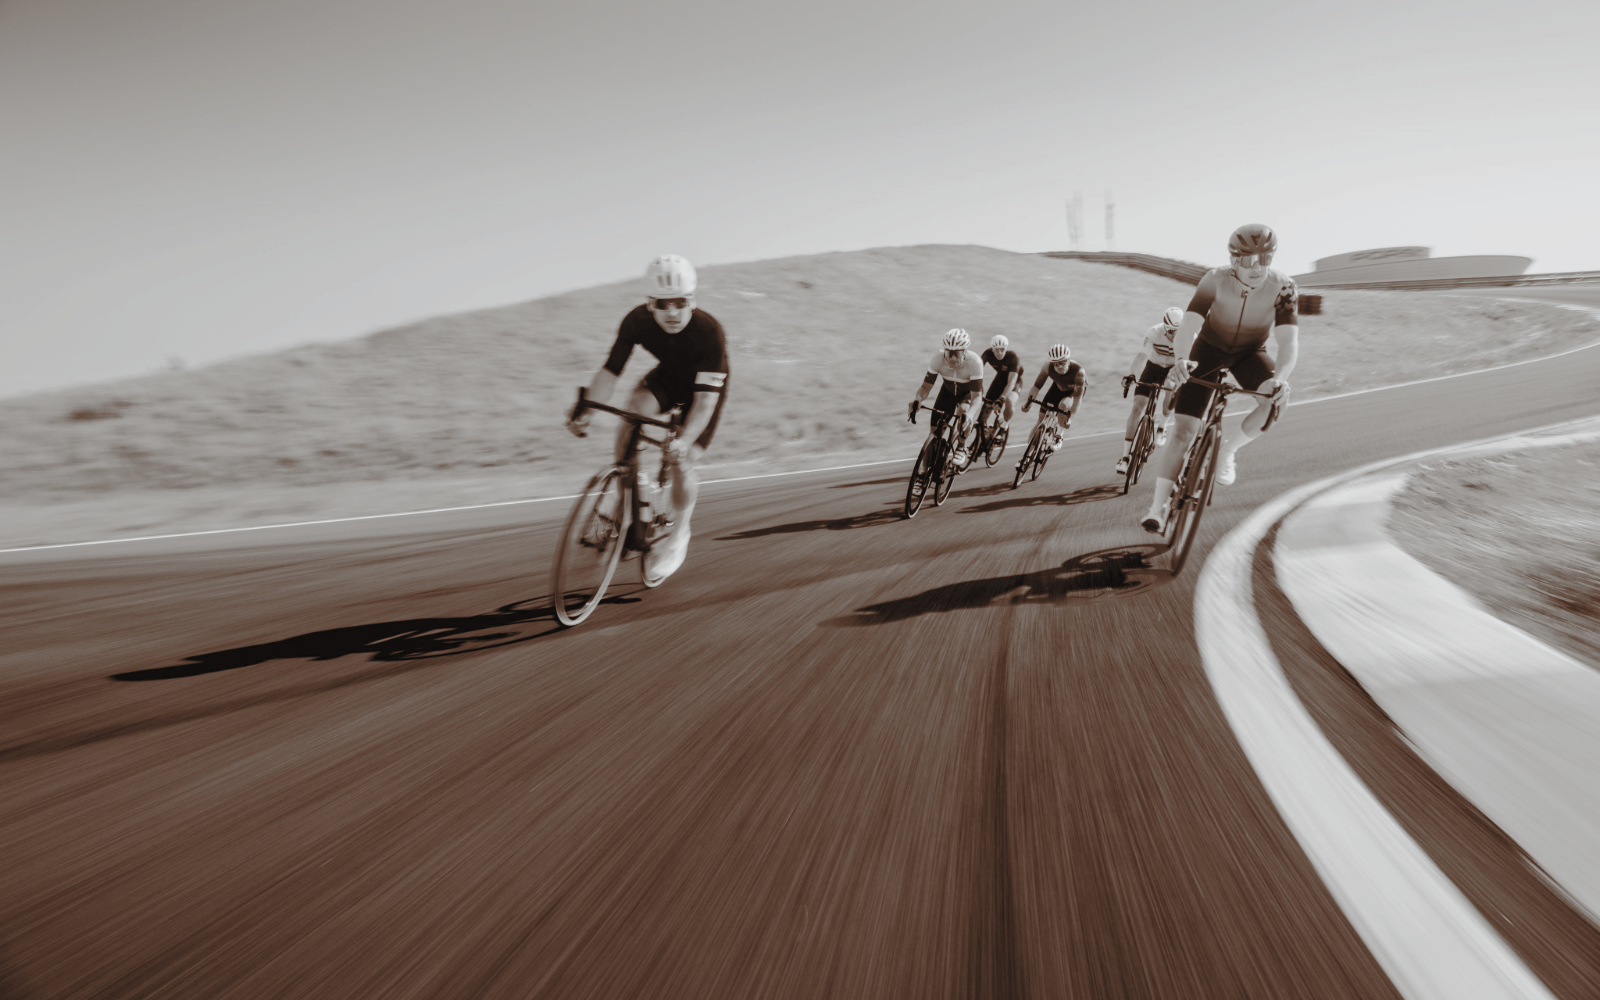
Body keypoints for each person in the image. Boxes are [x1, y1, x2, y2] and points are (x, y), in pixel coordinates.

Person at [567, 254, 729, 584]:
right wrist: (587, 410)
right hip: (668, 377)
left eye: (680, 302)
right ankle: (626, 489)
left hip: (703, 392)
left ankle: (678, 536)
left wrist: (684, 441)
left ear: (692, 300)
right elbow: (610, 372)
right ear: (649, 304)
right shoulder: (636, 321)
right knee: (632, 413)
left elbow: (704, 404)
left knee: (683, 460)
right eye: (662, 304)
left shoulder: (710, 332)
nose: (672, 312)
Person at [1140, 224, 1298, 533]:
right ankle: (1157, 508)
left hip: (1251, 352)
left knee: (1275, 402)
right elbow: (1189, 325)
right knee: (1184, 431)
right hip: (1208, 350)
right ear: (1233, 259)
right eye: (1248, 260)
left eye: (1265, 259)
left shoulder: (1284, 287)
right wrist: (1182, 359)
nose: (1257, 267)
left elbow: (1289, 341)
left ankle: (1228, 451)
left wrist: (1280, 379)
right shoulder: (1214, 279)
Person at [1116, 306, 1184, 474]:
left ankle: (1162, 427)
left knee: (1170, 388)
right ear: (1164, 327)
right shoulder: (1154, 332)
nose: (1174, 335)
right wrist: (1132, 374)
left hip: (1172, 370)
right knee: (1137, 407)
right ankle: (1125, 457)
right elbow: (1141, 356)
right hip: (1153, 368)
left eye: (1177, 331)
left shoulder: (1188, 336)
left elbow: (1193, 361)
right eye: (1170, 331)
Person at [908, 328, 984, 470]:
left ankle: (961, 446)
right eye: (949, 353)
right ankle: (923, 474)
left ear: (965, 352)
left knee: (964, 411)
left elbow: (977, 398)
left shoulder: (975, 362)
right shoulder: (938, 358)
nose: (953, 358)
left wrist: (970, 415)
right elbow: (925, 387)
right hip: (948, 392)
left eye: (957, 353)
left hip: (967, 393)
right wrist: (918, 400)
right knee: (934, 433)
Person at [1022, 344, 1085, 455]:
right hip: (1057, 388)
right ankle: (1026, 457)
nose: (1059, 366)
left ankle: (1059, 435)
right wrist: (1028, 402)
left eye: (1062, 362)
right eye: (1056, 363)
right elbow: (1036, 386)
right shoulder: (1047, 367)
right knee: (1040, 420)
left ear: (1068, 360)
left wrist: (1070, 418)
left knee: (1063, 406)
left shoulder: (1078, 372)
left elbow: (1077, 398)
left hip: (1072, 393)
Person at [978, 334, 1025, 428]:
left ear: (1006, 348)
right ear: (992, 349)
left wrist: (1001, 399)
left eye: (1002, 349)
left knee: (1009, 401)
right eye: (996, 350)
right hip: (1000, 379)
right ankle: (982, 431)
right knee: (986, 407)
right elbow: (977, 371)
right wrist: (977, 387)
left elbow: (1011, 383)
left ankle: (1005, 425)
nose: (999, 353)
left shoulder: (1013, 357)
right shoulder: (988, 354)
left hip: (1014, 382)